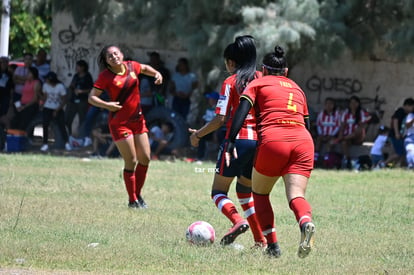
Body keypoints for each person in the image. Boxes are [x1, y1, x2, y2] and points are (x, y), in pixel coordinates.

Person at [225, 45, 315, 258]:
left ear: (263, 70)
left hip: (274, 140)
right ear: (286, 72)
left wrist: (230, 140)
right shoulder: (297, 88)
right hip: (303, 141)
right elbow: (307, 123)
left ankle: (273, 247)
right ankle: (305, 221)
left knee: (260, 193)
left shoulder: (257, 83)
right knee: (295, 195)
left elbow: (241, 111)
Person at [189, 36, 265, 248]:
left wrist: (197, 135)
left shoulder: (231, 82)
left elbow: (220, 119)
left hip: (237, 143)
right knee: (244, 192)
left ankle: (237, 221)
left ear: (231, 62)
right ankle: (260, 240)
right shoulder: (262, 79)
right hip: (259, 144)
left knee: (218, 192)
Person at [88, 45, 163, 209]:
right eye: (109, 56)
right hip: (119, 123)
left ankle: (137, 195)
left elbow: (144, 68)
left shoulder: (132, 66)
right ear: (107, 62)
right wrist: (107, 105)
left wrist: (156, 73)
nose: (114, 57)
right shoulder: (105, 76)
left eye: (116, 53)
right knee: (131, 160)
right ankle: (132, 200)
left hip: (138, 121)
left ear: (121, 54)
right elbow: (92, 98)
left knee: (145, 158)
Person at [336, 95, 371, 169]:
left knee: (358, 130)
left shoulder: (362, 113)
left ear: (358, 104)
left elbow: (363, 125)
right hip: (348, 137)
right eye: (351, 103)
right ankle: (348, 159)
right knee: (344, 142)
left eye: (355, 103)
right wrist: (341, 134)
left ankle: (344, 138)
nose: (353, 104)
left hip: (358, 137)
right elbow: (342, 126)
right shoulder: (346, 113)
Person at [40, 72, 72, 152]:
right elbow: (45, 97)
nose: (45, 80)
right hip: (47, 108)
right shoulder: (45, 85)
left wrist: (57, 110)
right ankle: (45, 144)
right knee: (45, 125)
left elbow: (64, 99)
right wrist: (41, 104)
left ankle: (67, 143)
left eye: (47, 79)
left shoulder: (60, 87)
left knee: (62, 125)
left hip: (58, 108)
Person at [66, 60, 94, 137]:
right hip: (73, 100)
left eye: (78, 66)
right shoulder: (76, 76)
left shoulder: (88, 76)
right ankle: (69, 136)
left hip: (83, 100)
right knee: (68, 118)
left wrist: (82, 91)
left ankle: (83, 136)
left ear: (83, 67)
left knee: (82, 119)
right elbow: (71, 85)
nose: (76, 68)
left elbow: (91, 89)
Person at [10, 67, 42, 132]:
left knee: (24, 123)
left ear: (33, 74)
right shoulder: (26, 82)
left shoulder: (36, 83)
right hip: (22, 104)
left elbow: (35, 99)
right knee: (14, 121)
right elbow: (16, 81)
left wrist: (24, 107)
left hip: (30, 106)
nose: (27, 74)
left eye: (29, 73)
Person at [385, 98, 414, 167]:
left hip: (401, 136)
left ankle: (395, 165)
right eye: (412, 107)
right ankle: (384, 163)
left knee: (401, 152)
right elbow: (395, 121)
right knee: (399, 153)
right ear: (407, 105)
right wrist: (397, 133)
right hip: (395, 135)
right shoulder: (400, 111)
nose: (412, 109)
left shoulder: (408, 114)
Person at [194, 91, 220, 162]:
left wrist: (215, 133)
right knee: (199, 135)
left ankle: (216, 158)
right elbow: (204, 119)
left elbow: (217, 123)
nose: (209, 100)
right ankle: (199, 156)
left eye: (210, 99)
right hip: (207, 129)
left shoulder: (218, 110)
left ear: (215, 100)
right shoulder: (209, 108)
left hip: (214, 130)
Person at [314, 97, 341, 164]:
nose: (329, 105)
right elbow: (319, 124)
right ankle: (315, 158)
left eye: (331, 104)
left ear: (333, 105)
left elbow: (338, 126)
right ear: (325, 105)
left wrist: (331, 135)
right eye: (327, 104)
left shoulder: (337, 114)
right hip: (323, 135)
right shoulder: (321, 114)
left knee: (330, 143)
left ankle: (327, 159)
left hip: (332, 135)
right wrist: (321, 134)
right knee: (318, 140)